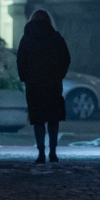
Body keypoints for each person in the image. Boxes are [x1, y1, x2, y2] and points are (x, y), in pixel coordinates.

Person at [16, 9, 72, 164]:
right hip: (52, 83)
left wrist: (25, 77)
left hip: (34, 84)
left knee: (38, 119)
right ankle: (53, 152)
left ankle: (41, 153)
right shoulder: (56, 38)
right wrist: (58, 74)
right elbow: (66, 58)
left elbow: (20, 60)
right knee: (53, 120)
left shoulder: (27, 39)